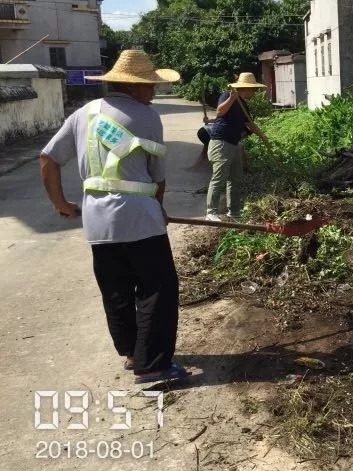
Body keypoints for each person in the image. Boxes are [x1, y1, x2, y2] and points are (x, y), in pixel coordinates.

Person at [39, 49, 190, 384]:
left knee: (116, 290)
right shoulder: (148, 117)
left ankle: (133, 353)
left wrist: (60, 204)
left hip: (96, 222)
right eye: (149, 85)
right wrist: (158, 208)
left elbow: (48, 159)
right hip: (139, 218)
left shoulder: (83, 114)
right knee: (156, 288)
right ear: (133, 87)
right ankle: (152, 366)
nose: (153, 91)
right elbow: (157, 176)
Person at [205, 72, 268, 221]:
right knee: (219, 178)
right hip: (221, 142)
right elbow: (220, 111)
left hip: (234, 143)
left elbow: (249, 124)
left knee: (235, 179)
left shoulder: (243, 104)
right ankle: (211, 212)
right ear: (244, 88)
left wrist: (263, 136)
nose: (253, 92)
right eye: (252, 89)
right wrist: (232, 99)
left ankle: (234, 211)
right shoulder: (228, 95)